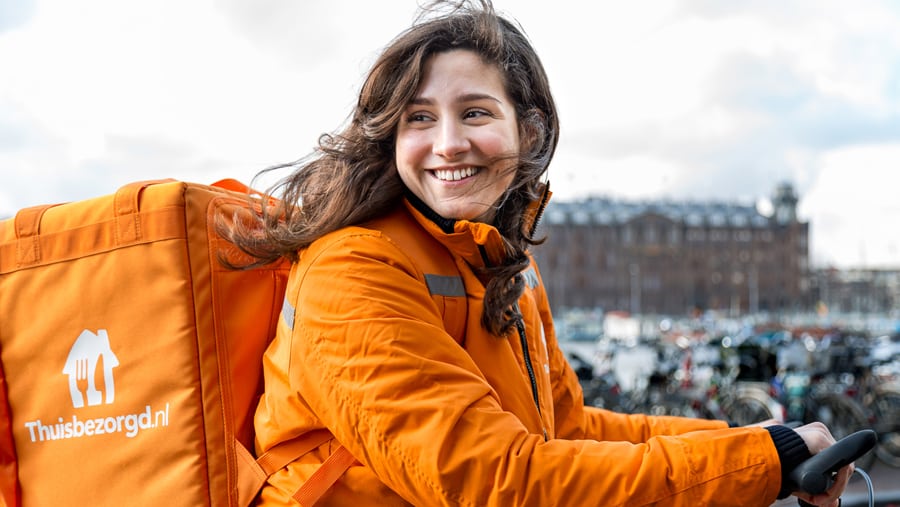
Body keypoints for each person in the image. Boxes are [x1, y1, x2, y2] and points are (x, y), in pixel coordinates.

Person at [225, 1, 853, 505]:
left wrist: (756, 441)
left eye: (475, 112)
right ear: (390, 138)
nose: (448, 143)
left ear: (527, 132)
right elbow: (492, 479)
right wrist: (761, 463)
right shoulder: (352, 270)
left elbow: (570, 431)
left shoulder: (506, 268)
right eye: (418, 118)